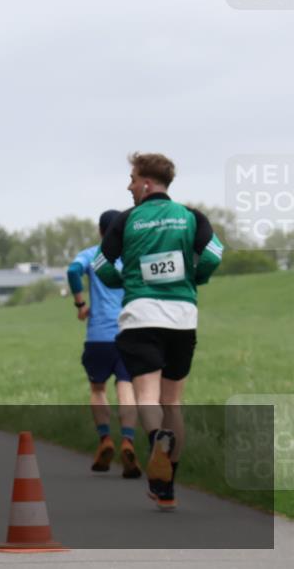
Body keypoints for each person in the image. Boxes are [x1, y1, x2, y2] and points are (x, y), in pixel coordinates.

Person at [94, 152, 223, 511]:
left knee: (147, 395)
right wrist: (195, 278)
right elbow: (213, 255)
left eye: (133, 179)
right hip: (182, 317)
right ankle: (166, 488)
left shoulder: (127, 219)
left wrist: (125, 282)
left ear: (147, 183)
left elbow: (101, 263)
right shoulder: (191, 217)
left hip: (141, 315)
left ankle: (156, 439)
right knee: (173, 401)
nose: (129, 186)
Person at [68, 211, 140, 478]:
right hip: (130, 333)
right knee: (126, 387)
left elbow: (73, 271)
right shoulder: (134, 254)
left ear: (100, 231)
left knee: (98, 389)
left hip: (98, 336)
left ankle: (105, 440)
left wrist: (80, 304)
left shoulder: (91, 254)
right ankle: (128, 441)